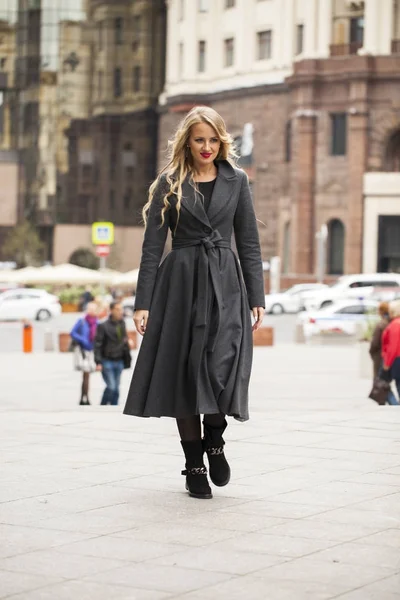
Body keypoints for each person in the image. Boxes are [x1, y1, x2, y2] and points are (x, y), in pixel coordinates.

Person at [123, 106, 265, 500]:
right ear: (187, 141)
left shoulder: (237, 181)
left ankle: (215, 439)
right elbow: (152, 249)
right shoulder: (168, 183)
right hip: (180, 286)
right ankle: (193, 465)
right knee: (186, 374)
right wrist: (142, 303)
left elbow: (249, 242)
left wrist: (257, 296)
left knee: (223, 365)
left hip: (226, 284)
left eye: (213, 139)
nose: (206, 147)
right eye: (199, 139)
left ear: (222, 141)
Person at [94, 301, 132, 406]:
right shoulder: (103, 325)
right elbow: (97, 344)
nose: (121, 312)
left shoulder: (122, 323)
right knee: (111, 386)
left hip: (119, 360)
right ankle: (103, 405)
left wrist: (127, 342)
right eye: (117, 309)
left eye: (121, 309)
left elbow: (123, 339)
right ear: (111, 310)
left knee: (116, 388)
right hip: (107, 361)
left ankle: (114, 408)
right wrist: (98, 361)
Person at [70, 302, 99, 405]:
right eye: (90, 308)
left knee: (87, 376)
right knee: (86, 375)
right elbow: (72, 332)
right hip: (83, 351)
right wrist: (83, 339)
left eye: (94, 309)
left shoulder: (98, 323)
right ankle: (85, 398)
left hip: (92, 351)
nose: (91, 311)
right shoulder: (81, 321)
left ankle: (84, 397)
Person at [382, 299, 400, 406]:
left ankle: (395, 405)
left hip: (397, 359)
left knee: (389, 383)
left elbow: (392, 346)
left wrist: (387, 363)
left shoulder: (395, 324)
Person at [369, 301, 390, 379]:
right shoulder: (391, 323)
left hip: (380, 356)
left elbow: (375, 343)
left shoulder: (381, 324)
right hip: (390, 356)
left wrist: (371, 352)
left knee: (379, 383)